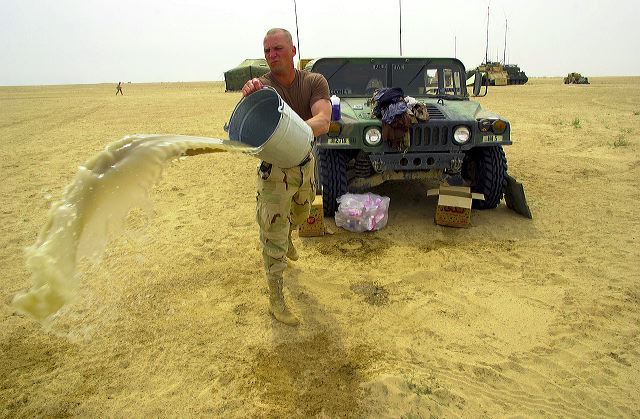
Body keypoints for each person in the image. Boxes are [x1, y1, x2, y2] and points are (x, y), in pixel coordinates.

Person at [242, 28, 331, 326]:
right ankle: (276, 299)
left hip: (305, 164)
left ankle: (289, 235)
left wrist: (291, 133)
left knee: (303, 210)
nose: (271, 55)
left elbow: (323, 120)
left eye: (278, 48)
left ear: (293, 50)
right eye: (267, 51)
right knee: (273, 234)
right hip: (274, 172)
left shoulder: (314, 81)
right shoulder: (263, 88)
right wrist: (250, 97)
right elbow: (250, 123)